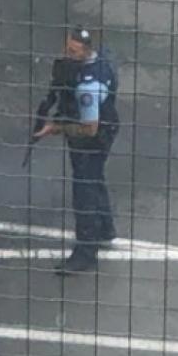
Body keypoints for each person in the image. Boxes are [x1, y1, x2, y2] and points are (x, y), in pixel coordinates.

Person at [34, 25, 119, 274]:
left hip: (93, 138)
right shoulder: (102, 61)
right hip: (109, 124)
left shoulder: (87, 89)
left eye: (73, 51)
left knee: (84, 194)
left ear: (86, 51)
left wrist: (56, 128)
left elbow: (89, 129)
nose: (68, 54)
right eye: (67, 48)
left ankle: (86, 252)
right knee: (95, 179)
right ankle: (105, 227)